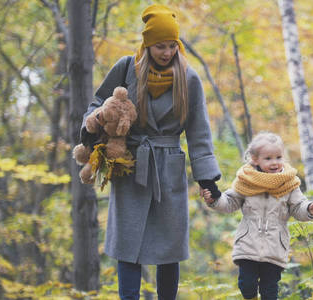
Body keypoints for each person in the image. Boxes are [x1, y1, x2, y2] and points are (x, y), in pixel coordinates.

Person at [79, 4, 221, 299]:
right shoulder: (126, 68)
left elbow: (198, 130)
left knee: (169, 247)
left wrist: (207, 180)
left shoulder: (189, 78)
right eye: (160, 46)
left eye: (172, 45)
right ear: (147, 43)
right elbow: (97, 104)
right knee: (128, 245)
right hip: (130, 163)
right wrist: (94, 124)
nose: (166, 52)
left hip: (168, 167)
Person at [200, 132, 313, 300]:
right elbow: (229, 203)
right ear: (255, 159)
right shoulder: (245, 180)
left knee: (270, 291)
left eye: (278, 157)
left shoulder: (289, 183)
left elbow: (298, 206)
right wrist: (214, 199)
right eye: (268, 158)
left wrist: (309, 209)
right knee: (246, 286)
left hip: (275, 247)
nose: (275, 162)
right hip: (248, 245)